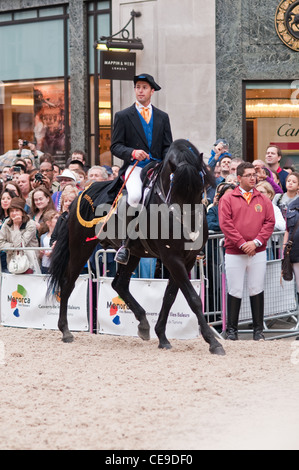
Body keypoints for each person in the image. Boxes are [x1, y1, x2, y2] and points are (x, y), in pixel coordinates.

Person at [110, 73, 173, 264]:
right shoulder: (123, 116)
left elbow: (167, 146)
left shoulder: (162, 116)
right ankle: (125, 244)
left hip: (158, 166)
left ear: (152, 91)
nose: (140, 90)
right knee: (136, 196)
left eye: (144, 87)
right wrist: (132, 152)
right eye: (137, 87)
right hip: (135, 166)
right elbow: (115, 146)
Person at [218, 162, 275, 341]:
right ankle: (232, 331)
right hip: (235, 252)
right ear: (239, 178)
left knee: (256, 288)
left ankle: (258, 331)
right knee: (234, 289)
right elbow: (226, 224)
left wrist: (256, 242)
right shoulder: (227, 199)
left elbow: (269, 222)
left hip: (258, 251)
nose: (253, 178)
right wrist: (243, 244)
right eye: (249, 175)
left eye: (254, 175)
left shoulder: (263, 199)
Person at [0, 197, 40, 274]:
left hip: (29, 264)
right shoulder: (7, 222)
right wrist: (13, 246)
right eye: (11, 211)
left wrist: (16, 226)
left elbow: (19, 245)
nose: (14, 213)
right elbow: (0, 242)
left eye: (17, 210)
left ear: (22, 212)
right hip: (13, 263)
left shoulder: (30, 224)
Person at [38, 209, 59, 274]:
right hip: (45, 266)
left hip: (57, 266)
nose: (59, 220)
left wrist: (52, 254)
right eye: (56, 218)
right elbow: (41, 255)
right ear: (48, 223)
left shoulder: (61, 236)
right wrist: (41, 253)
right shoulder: (43, 237)